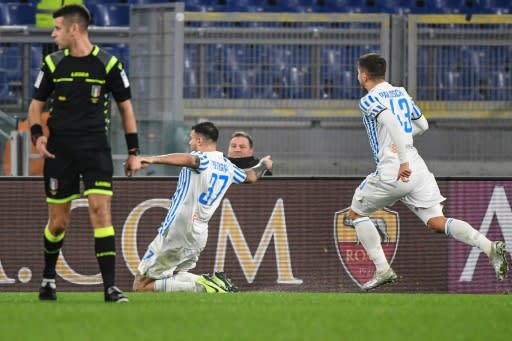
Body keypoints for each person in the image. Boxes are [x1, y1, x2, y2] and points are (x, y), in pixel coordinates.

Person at [347, 53, 508, 291]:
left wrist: (401, 158)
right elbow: (423, 125)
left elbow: (390, 121)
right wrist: (402, 143)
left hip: (395, 169)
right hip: (418, 168)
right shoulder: (400, 92)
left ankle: (382, 269)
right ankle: (489, 247)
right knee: (436, 222)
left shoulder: (368, 99)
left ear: (363, 75)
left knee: (356, 213)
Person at [28, 4, 141, 303]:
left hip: (95, 149)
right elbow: (36, 105)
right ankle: (49, 279)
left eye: (57, 28)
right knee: (58, 222)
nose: (53, 35)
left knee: (99, 210)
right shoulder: (52, 64)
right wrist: (37, 137)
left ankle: (110, 287)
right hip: (59, 152)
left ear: (73, 29)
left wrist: (134, 151)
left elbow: (125, 108)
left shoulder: (109, 64)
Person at [132, 121, 273, 293]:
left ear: (199, 141)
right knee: (176, 274)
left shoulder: (203, 159)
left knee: (141, 285)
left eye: (191, 139)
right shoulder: (227, 166)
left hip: (178, 229)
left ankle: (203, 285)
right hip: (199, 233)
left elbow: (190, 159)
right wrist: (264, 165)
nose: (190, 143)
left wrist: (152, 159)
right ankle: (210, 281)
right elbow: (251, 176)